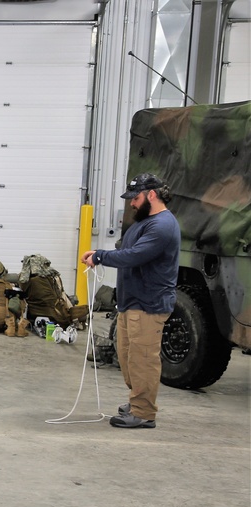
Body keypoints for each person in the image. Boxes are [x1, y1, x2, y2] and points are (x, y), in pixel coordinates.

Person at [82, 173, 180, 429]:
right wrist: (102, 254)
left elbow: (135, 255)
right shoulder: (144, 223)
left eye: (135, 198)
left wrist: (101, 256)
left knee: (143, 360)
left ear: (151, 195)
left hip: (149, 306)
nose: (132, 204)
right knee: (128, 358)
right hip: (132, 303)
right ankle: (138, 400)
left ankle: (143, 412)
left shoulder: (162, 226)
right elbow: (127, 252)